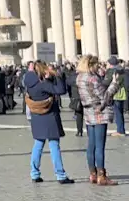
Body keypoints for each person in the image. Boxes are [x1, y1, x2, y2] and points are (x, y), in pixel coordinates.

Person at [76, 54, 123, 186]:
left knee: (91, 145)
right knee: (100, 146)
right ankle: (101, 176)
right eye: (97, 64)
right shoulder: (92, 79)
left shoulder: (79, 77)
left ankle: (92, 174)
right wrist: (114, 83)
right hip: (98, 112)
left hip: (88, 112)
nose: (99, 66)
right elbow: (105, 96)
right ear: (91, 65)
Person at [22, 63, 72, 184]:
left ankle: (34, 173)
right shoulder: (43, 85)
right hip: (49, 117)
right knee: (54, 145)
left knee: (38, 144)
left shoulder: (29, 84)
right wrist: (58, 76)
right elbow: (61, 90)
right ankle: (60, 175)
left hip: (36, 117)